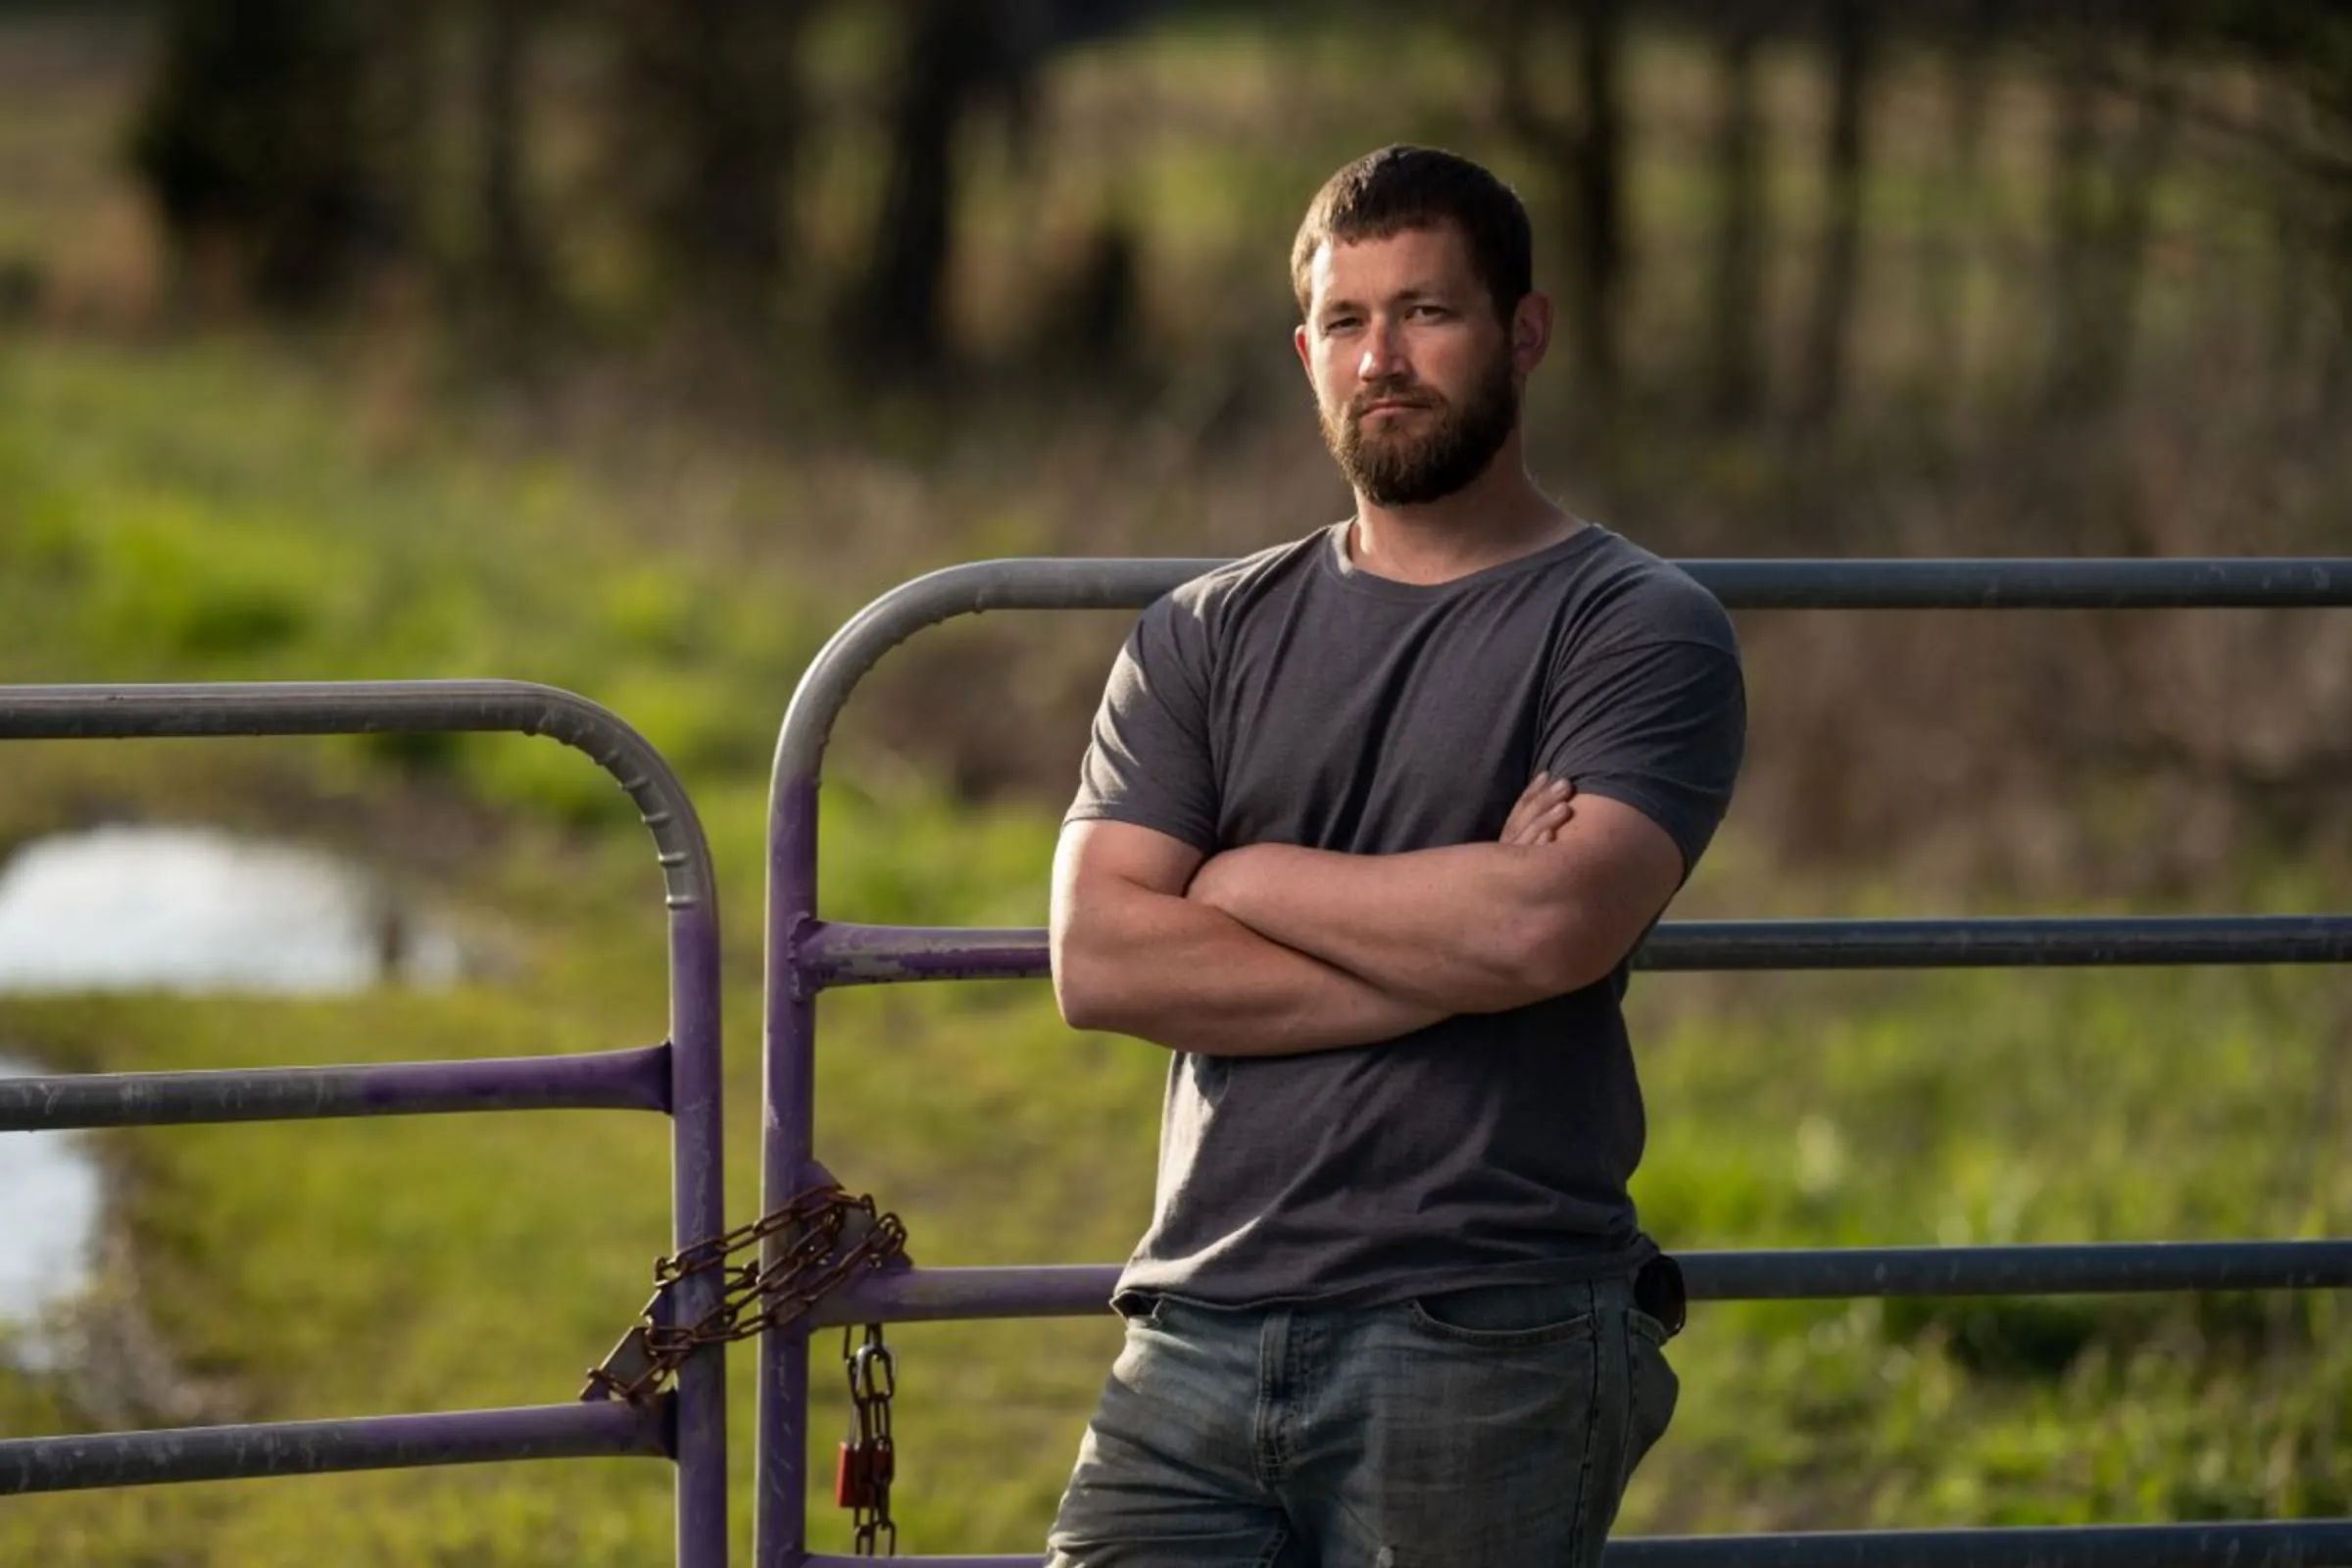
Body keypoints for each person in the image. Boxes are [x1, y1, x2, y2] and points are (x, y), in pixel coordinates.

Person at [1045, 144, 1745, 1568]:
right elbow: (1103, 957)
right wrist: (1458, 937)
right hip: (1197, 1316)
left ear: (1523, 332)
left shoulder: (1635, 627)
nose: (1384, 359)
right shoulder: (1203, 634)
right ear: (1308, 352)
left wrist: (1242, 880)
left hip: (1488, 1322)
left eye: (1427, 313)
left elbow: (1547, 932)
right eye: (1350, 323)